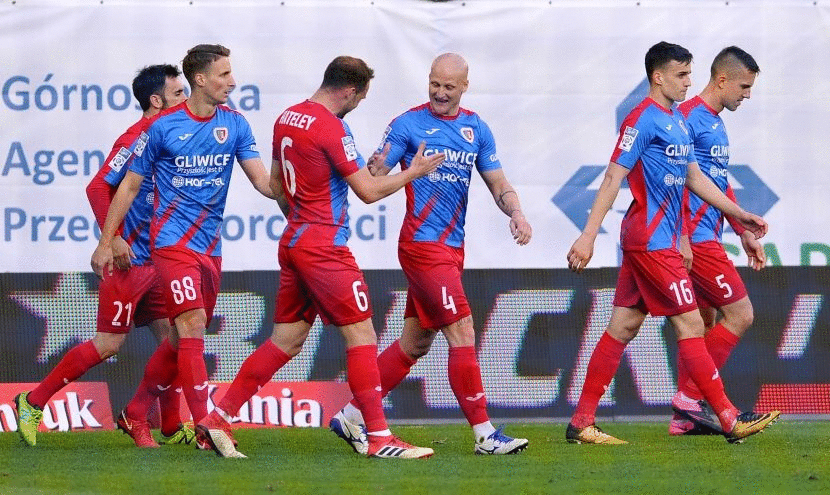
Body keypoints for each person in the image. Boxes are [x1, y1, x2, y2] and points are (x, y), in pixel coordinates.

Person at [195, 56, 445, 459]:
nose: (358, 105)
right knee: (362, 337)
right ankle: (379, 438)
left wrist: (303, 224)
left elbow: (276, 186)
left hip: (294, 241)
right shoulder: (332, 127)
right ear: (350, 91)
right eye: (360, 98)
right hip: (325, 248)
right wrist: (413, 172)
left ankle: (218, 417)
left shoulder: (287, 118)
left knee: (286, 341)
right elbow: (368, 192)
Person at [564, 41, 779, 444]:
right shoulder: (640, 120)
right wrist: (588, 235)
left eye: (689, 74)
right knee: (692, 323)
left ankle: (581, 422)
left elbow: (695, 179)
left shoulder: (678, 119)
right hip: (650, 240)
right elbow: (612, 177)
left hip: (660, 239)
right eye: (681, 75)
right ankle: (728, 418)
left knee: (623, 326)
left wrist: (739, 216)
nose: (688, 82)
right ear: (658, 77)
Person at [329, 53, 532, 456]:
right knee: (463, 330)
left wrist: (517, 212)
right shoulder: (407, 124)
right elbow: (373, 177)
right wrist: (381, 167)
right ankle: (485, 434)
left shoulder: (477, 129)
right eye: (434, 84)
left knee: (415, 343)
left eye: (449, 86)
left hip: (452, 249)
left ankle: (351, 415)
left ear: (464, 86)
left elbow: (498, 183)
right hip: (422, 247)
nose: (440, 93)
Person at [90, 45, 276, 445]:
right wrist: (107, 241)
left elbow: (264, 183)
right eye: (224, 74)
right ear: (201, 80)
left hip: (210, 248)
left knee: (180, 338)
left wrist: (298, 180)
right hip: (171, 243)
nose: (232, 82)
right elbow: (129, 187)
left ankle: (135, 411)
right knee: (191, 326)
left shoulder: (236, 124)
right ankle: (209, 425)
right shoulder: (162, 127)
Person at [15, 64, 193, 448]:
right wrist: (112, 239)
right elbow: (98, 187)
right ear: (156, 100)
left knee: (177, 341)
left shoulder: (172, 135)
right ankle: (32, 402)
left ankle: (169, 424)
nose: (186, 99)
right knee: (109, 344)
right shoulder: (136, 138)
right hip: (130, 263)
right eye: (179, 93)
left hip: (160, 260)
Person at [670, 46, 766, 436]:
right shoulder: (688, 118)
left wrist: (742, 231)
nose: (748, 95)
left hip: (707, 235)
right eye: (744, 86)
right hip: (694, 239)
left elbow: (719, 183)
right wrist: (682, 236)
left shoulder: (716, 122)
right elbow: (675, 181)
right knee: (741, 315)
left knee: (702, 324)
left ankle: (683, 418)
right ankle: (689, 399)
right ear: (722, 79)